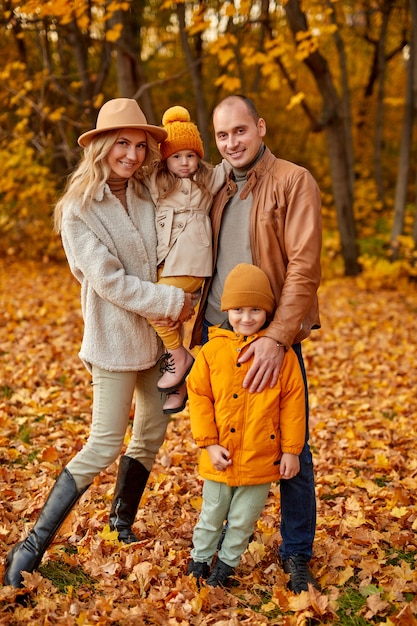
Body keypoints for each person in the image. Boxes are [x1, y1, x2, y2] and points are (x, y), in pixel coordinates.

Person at [3, 98, 196, 589]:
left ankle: (120, 523)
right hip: (113, 341)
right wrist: (172, 301)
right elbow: (109, 281)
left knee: (152, 433)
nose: (130, 155)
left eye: (138, 145)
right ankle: (31, 545)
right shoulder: (78, 210)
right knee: (105, 441)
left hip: (157, 342)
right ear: (102, 147)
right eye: (121, 144)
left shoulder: (148, 193)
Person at [190, 95, 322, 593]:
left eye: (240, 131)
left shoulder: (293, 181)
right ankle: (216, 546)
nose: (232, 143)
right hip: (217, 333)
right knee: (222, 436)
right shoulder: (216, 184)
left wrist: (277, 338)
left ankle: (296, 552)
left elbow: (305, 268)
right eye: (222, 136)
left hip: (273, 336)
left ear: (260, 128)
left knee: (289, 443)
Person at [186, 263, 306, 587]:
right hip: (220, 456)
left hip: (260, 459)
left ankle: (225, 567)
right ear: (227, 310)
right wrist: (208, 443)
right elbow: (198, 397)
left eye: (256, 309)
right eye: (238, 309)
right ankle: (198, 562)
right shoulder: (212, 352)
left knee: (242, 520)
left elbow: (293, 405)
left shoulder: (282, 357)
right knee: (211, 515)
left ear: (268, 311)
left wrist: (291, 451)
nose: (247, 317)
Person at [145, 105, 229, 414]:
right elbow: (144, 161)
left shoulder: (208, 180)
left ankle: (179, 356)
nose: (185, 162)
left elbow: (231, 162)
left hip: (192, 263)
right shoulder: (158, 182)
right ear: (166, 159)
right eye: (177, 156)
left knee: (154, 306)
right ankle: (179, 387)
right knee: (168, 317)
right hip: (168, 262)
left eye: (191, 155)